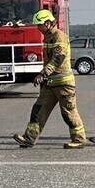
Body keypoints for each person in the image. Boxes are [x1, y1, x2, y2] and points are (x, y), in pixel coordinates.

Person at [13, 9, 87, 149]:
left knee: (68, 113)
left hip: (63, 84)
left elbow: (58, 58)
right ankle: (29, 138)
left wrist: (43, 74)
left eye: (39, 25)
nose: (37, 28)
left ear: (48, 23)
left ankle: (79, 139)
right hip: (51, 83)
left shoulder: (60, 37)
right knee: (38, 110)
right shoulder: (47, 37)